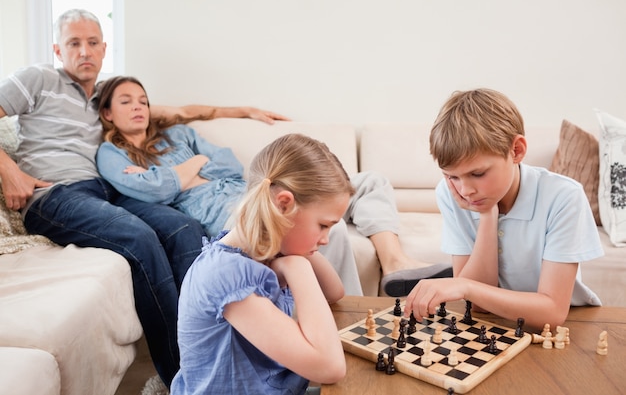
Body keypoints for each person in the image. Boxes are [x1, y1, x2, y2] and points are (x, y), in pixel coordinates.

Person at [0, 9, 286, 387]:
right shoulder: (38, 78)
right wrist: (10, 170)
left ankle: (217, 343)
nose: (84, 51)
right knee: (140, 239)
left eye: (92, 43)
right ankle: (186, 375)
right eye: (73, 43)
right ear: (58, 49)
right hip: (58, 194)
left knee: (183, 227)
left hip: (107, 192)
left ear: (104, 49)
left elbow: (184, 112)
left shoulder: (106, 96)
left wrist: (244, 110)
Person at [94, 76, 452, 296]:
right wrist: (191, 168)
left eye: (143, 101)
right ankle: (345, 321)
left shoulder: (179, 134)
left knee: (371, 180)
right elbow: (154, 192)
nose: (138, 107)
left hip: (249, 188)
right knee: (336, 229)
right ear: (108, 113)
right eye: (126, 102)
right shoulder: (110, 154)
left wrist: (182, 172)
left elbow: (227, 163)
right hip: (222, 210)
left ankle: (393, 262)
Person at [404, 88, 604, 330]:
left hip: (557, 329)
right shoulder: (449, 193)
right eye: (452, 176)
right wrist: (488, 214)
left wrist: (465, 286)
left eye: (477, 173)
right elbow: (477, 306)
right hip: (495, 324)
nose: (465, 190)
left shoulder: (564, 197)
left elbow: (552, 312)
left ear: (516, 150)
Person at [170, 133, 351, 394]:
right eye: (323, 225)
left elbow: (335, 292)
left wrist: (297, 257)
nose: (325, 239)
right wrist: (297, 267)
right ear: (283, 204)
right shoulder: (227, 274)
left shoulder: (265, 251)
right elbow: (330, 367)